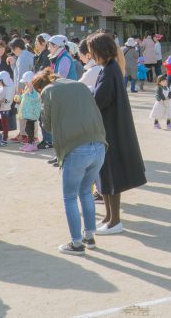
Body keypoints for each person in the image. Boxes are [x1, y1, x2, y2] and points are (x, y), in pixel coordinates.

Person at [38, 65, 107, 255]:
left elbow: (48, 125)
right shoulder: (79, 85)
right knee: (86, 191)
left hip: (76, 148)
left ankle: (76, 244)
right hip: (99, 145)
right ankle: (89, 237)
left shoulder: (48, 91)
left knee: (70, 196)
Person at [90, 32, 146, 235]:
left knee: (111, 175)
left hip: (110, 130)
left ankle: (115, 220)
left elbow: (99, 100)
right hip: (110, 128)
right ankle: (108, 217)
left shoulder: (109, 70)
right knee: (104, 175)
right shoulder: (111, 68)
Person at [18, 71, 43, 151]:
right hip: (28, 113)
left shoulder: (34, 89)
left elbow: (35, 97)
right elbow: (25, 97)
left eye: (26, 82)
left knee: (29, 129)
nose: (25, 83)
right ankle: (29, 143)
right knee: (27, 129)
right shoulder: (28, 89)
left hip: (32, 113)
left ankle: (31, 144)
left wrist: (30, 87)